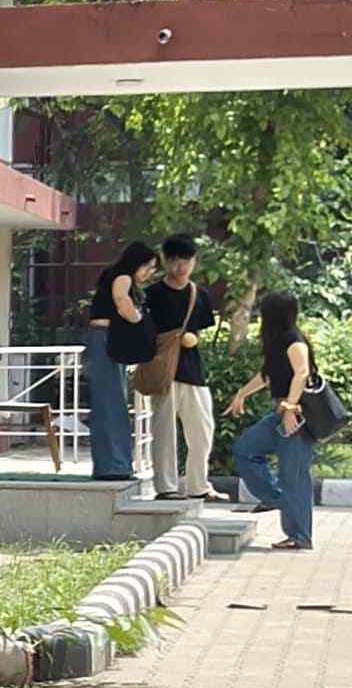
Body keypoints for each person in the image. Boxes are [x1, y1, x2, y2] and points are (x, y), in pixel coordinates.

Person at [226, 289, 324, 550]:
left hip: (297, 417)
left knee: (294, 477)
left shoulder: (295, 341)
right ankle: (276, 498)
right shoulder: (277, 342)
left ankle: (300, 537)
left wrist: (290, 408)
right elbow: (267, 375)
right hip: (280, 414)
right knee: (246, 449)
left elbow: (302, 373)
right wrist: (241, 393)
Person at [149, 233, 225, 504]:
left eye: (186, 261)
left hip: (193, 370)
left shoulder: (199, 294)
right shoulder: (153, 294)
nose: (180, 267)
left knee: (203, 431)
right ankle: (166, 487)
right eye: (174, 261)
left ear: (194, 262)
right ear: (166, 261)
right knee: (164, 432)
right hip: (163, 371)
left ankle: (198, 485)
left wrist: (191, 338)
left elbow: (200, 330)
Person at [95, 235, 156, 501]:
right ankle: (115, 466)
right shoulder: (123, 277)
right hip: (106, 341)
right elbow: (122, 301)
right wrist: (138, 318)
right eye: (148, 267)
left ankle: (111, 464)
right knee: (113, 404)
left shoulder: (111, 275)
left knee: (109, 403)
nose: (149, 273)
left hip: (103, 341)